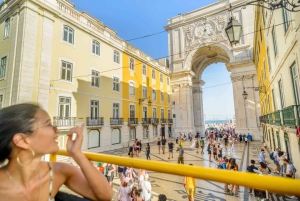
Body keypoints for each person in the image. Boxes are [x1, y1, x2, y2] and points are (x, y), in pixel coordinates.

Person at [0, 103, 112, 200]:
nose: (57, 130)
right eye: (48, 124)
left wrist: (76, 153)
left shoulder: (59, 172)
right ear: (22, 140)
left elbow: (105, 196)